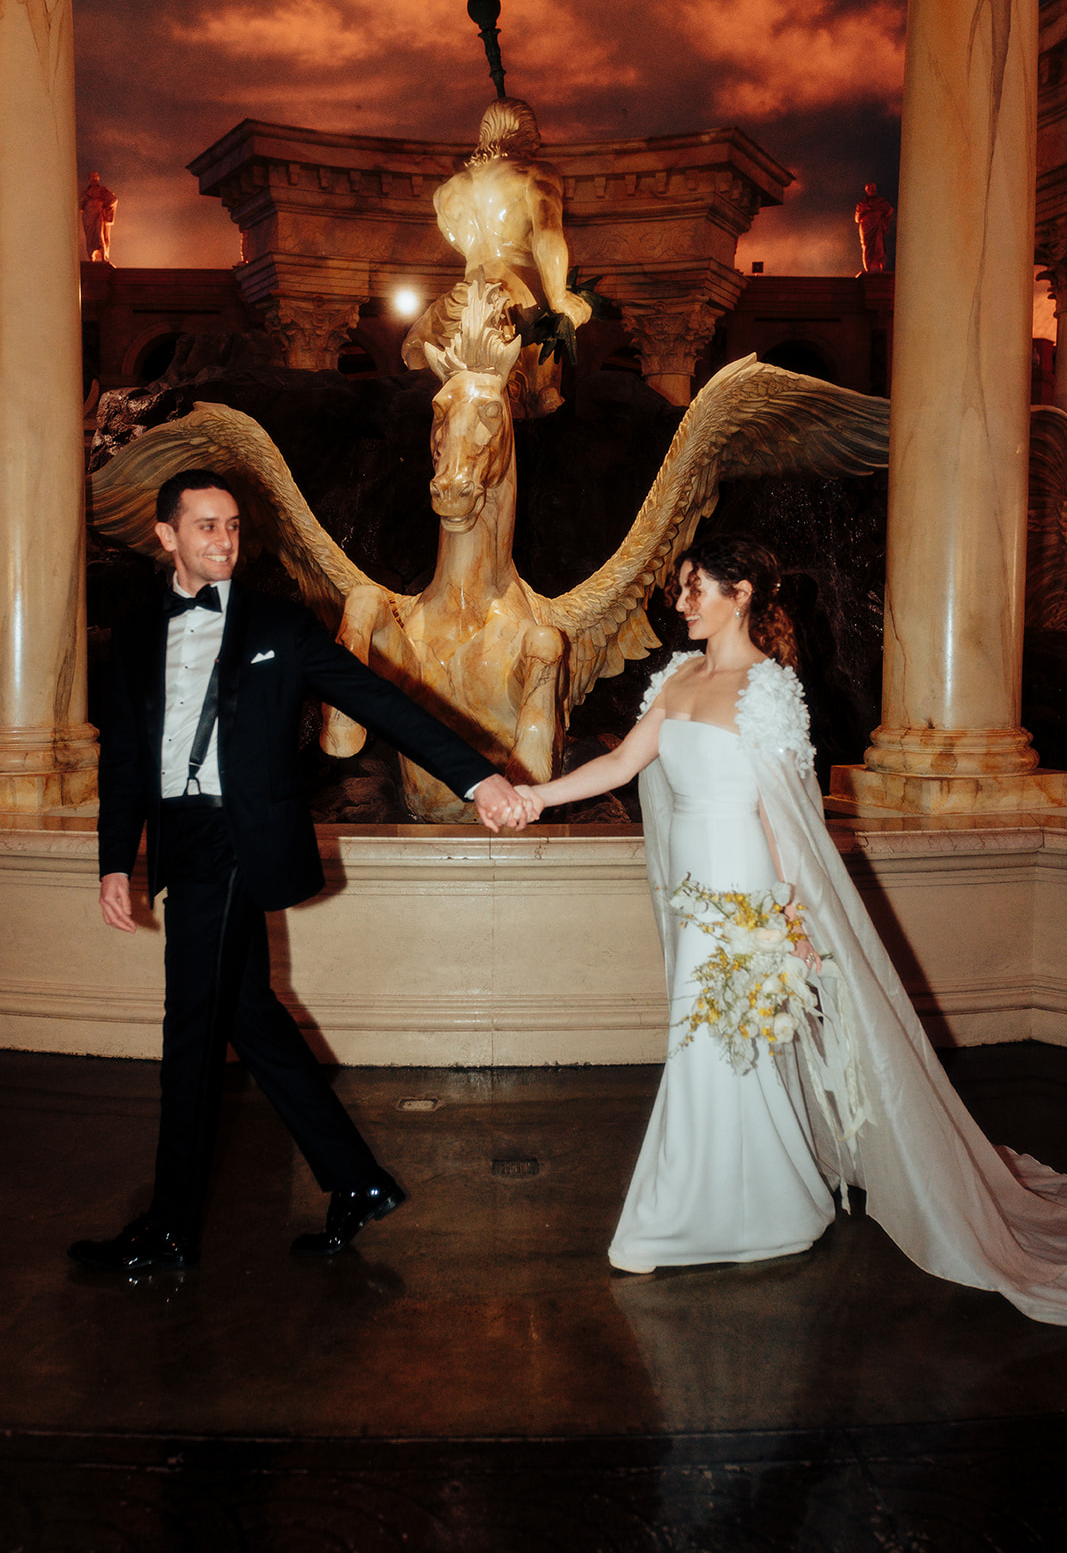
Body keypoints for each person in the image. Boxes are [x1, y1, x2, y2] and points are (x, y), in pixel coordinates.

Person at [515, 534, 1067, 1324]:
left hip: (745, 886)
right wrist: (537, 798)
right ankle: (772, 1205)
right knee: (720, 1041)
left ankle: (687, 1217)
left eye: (695, 588)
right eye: (680, 590)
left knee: (710, 1038)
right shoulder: (675, 677)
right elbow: (619, 766)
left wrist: (792, 913)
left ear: (740, 594)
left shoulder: (768, 689)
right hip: (696, 889)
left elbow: (788, 817)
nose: (681, 603)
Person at [69, 469, 529, 1276]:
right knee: (251, 1020)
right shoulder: (138, 632)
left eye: (233, 526)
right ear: (166, 536)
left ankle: (170, 1228)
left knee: (191, 1028)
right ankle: (357, 1182)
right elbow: (127, 759)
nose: (224, 540)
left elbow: (385, 700)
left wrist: (477, 777)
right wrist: (117, 860)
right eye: (206, 526)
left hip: (240, 840)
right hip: (180, 837)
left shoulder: (280, 624)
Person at [402, 97, 592, 416]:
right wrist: (560, 298)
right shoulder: (534, 172)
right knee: (538, 405)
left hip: (465, 303)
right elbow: (547, 235)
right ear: (526, 135)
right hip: (521, 308)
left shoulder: (446, 193)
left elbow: (462, 246)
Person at [854, 181, 894, 274]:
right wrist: (866, 210)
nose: (873, 190)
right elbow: (857, 218)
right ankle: (868, 268)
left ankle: (881, 267)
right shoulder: (862, 204)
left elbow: (890, 210)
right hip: (866, 228)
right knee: (867, 247)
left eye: (874, 188)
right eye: (871, 188)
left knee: (879, 247)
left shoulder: (880, 202)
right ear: (867, 190)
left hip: (877, 228)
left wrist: (884, 217)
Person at [79, 171, 118, 263]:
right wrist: (85, 198)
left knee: (101, 235)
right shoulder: (85, 192)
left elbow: (113, 200)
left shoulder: (103, 190)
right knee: (90, 237)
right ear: (89, 179)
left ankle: (103, 256)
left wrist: (105, 210)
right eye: (92, 177)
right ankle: (91, 257)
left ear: (98, 178)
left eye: (96, 177)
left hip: (99, 215)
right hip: (89, 217)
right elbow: (80, 206)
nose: (94, 179)